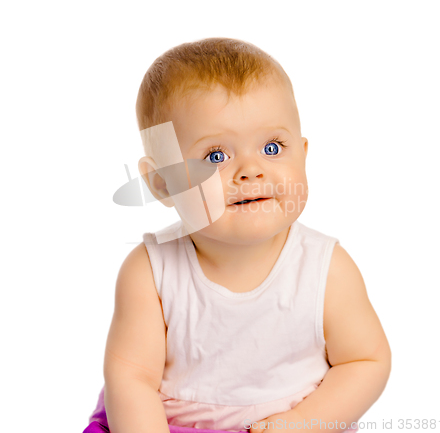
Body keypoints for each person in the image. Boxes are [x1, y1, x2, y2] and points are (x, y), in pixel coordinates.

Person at [84, 38, 391, 433]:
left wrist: (302, 423)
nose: (251, 170)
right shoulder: (149, 270)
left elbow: (364, 361)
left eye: (272, 147)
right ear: (162, 184)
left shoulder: (327, 268)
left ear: (303, 153)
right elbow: (131, 379)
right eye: (216, 156)